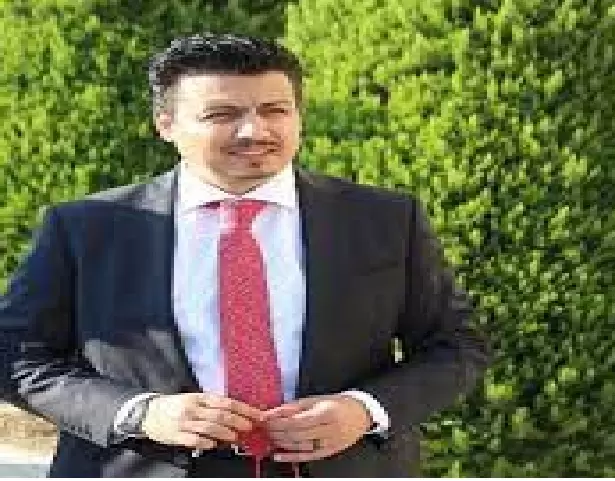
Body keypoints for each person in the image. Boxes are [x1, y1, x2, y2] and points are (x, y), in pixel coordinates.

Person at [0, 33, 492, 477]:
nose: (255, 131)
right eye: (222, 115)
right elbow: (15, 357)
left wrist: (364, 410)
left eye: (275, 110)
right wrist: (141, 413)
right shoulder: (87, 227)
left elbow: (455, 345)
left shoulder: (385, 219)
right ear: (165, 124)